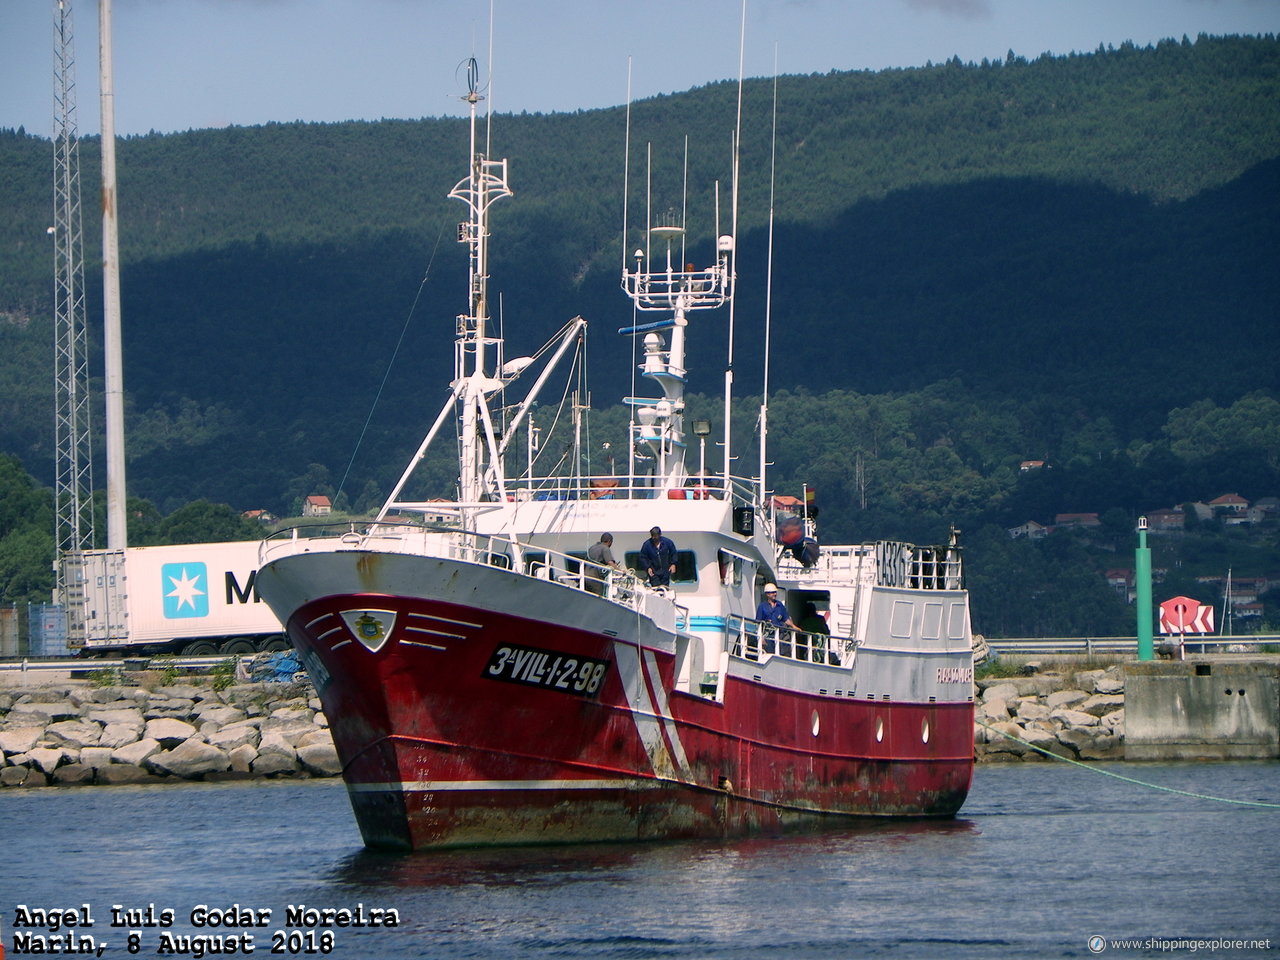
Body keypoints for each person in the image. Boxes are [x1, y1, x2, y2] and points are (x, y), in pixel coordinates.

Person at [755, 583, 798, 654]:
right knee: (769, 654)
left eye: (775, 592)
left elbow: (786, 619)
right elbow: (758, 623)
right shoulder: (762, 607)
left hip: (780, 636)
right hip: (769, 636)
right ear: (767, 594)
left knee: (782, 653)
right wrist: (761, 638)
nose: (775, 594)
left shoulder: (780, 605)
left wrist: (794, 626)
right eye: (772, 593)